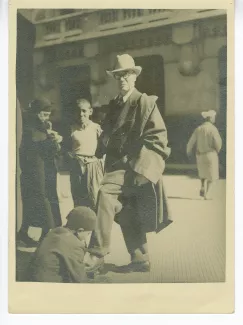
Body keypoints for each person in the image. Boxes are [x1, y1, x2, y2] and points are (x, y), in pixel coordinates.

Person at [86, 54, 172, 273]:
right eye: (118, 76)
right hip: (115, 166)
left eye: (127, 74)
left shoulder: (145, 102)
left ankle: (97, 253)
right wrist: (101, 141)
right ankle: (140, 256)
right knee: (126, 211)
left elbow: (159, 138)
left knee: (105, 195)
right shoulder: (114, 105)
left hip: (134, 167)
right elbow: (110, 134)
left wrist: (139, 166)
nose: (122, 79)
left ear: (135, 76)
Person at [17, 98, 63, 246]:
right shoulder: (30, 126)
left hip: (43, 168)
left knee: (40, 198)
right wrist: (55, 141)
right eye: (43, 114)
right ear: (35, 112)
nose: (46, 118)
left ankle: (26, 232)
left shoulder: (38, 124)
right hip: (35, 170)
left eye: (48, 115)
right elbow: (42, 144)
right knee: (41, 198)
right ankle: (48, 233)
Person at [26, 206, 96, 283]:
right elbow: (80, 279)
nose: (87, 237)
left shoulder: (55, 232)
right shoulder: (74, 244)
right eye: (88, 233)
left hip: (33, 280)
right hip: (50, 286)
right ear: (80, 230)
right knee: (108, 279)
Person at [67, 98, 104, 210]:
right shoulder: (71, 129)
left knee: (94, 198)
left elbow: (103, 149)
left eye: (84, 111)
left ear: (90, 112)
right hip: (77, 166)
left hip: (93, 166)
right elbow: (66, 148)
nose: (81, 114)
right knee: (78, 199)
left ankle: (95, 226)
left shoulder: (96, 128)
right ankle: (81, 226)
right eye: (78, 111)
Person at [187, 110, 222, 200]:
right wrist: (217, 150)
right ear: (210, 118)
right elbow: (218, 143)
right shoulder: (213, 129)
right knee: (211, 175)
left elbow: (191, 141)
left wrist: (189, 151)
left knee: (203, 173)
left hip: (200, 155)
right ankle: (207, 194)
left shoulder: (199, 129)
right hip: (210, 154)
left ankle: (202, 186)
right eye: (213, 117)